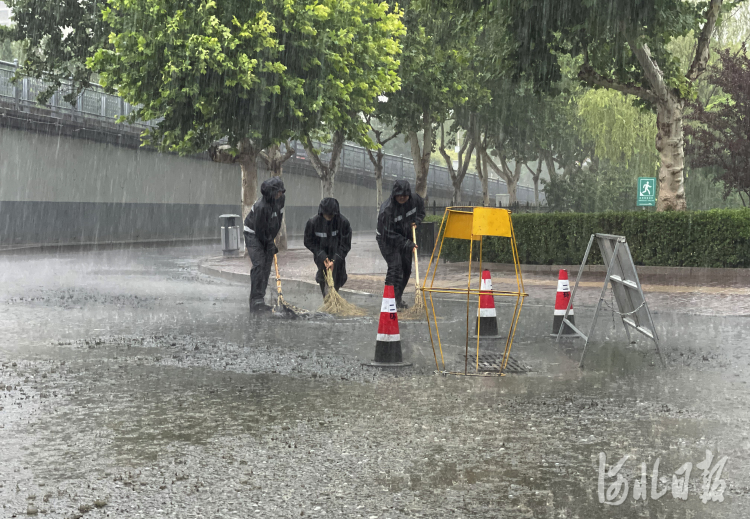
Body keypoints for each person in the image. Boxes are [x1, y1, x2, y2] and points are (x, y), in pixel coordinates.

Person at [376, 180, 426, 309]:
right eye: (399, 195)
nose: (402, 197)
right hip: (386, 239)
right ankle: (388, 302)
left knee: (406, 269)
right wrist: (406, 243)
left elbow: (421, 212)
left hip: (405, 235)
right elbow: (388, 234)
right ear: (394, 194)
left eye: (405, 194)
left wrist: (417, 221)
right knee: (395, 267)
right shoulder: (387, 210)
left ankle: (397, 299)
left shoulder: (416, 200)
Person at [243, 177, 286, 312]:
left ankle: (261, 297)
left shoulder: (280, 200)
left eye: (281, 191)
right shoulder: (261, 207)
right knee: (259, 264)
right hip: (253, 234)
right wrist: (269, 243)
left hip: (266, 234)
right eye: (278, 192)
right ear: (270, 193)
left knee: (267, 266)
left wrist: (272, 238)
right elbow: (260, 231)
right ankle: (255, 301)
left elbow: (278, 218)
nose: (281, 194)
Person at [303, 198, 352, 296]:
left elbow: (345, 244)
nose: (329, 217)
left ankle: (334, 295)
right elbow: (308, 241)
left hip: (337, 254)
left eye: (331, 215)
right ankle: (327, 299)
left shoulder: (343, 223)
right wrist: (322, 255)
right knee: (323, 275)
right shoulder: (313, 223)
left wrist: (335, 260)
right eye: (327, 215)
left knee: (338, 276)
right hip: (321, 254)